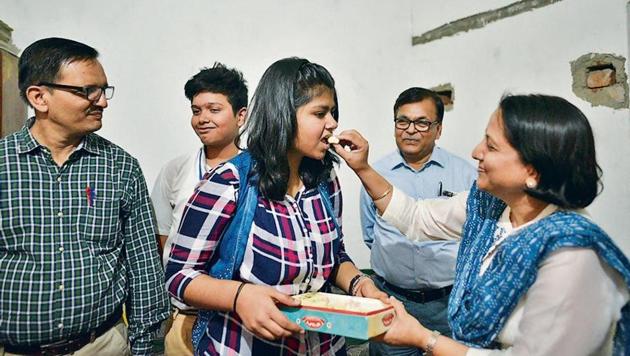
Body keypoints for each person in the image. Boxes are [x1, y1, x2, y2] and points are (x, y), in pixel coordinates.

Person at [332, 94, 630, 355]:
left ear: (534, 171)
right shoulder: (490, 208)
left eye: (491, 145)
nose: (476, 151)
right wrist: (362, 168)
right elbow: (416, 217)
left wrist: (425, 339)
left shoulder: (572, 256)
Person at [165, 57, 387, 355]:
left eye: (333, 112)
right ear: (283, 113)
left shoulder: (324, 180)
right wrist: (240, 296)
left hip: (323, 346)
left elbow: (334, 257)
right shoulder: (230, 180)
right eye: (320, 113)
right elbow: (179, 274)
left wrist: (360, 285)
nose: (333, 124)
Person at [0, 37, 169, 355]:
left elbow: (144, 266)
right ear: (40, 97)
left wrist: (146, 347)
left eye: (104, 90)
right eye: (87, 91)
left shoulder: (120, 166)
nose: (102, 101)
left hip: (102, 345)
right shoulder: (3, 165)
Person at [360, 87, 475, 355]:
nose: (411, 129)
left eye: (422, 122)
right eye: (403, 121)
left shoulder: (465, 175)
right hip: (392, 301)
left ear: (438, 129)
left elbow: (473, 238)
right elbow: (370, 234)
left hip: (448, 305)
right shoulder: (375, 175)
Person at [151, 63, 247, 355]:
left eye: (214, 109)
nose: (203, 118)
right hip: (185, 317)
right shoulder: (175, 171)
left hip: (237, 321)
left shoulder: (257, 174)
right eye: (196, 110)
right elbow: (163, 237)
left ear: (240, 115)